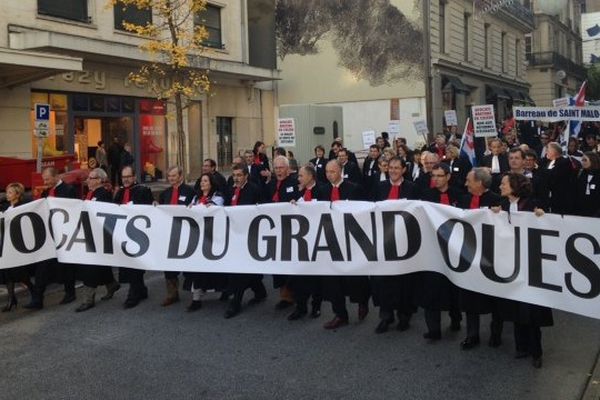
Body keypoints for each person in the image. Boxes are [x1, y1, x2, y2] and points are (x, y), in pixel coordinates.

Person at [493, 173, 553, 369]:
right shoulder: (501, 203)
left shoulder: (531, 203)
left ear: (514, 186)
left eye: (503, 183)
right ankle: (522, 346)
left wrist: (541, 215)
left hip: (530, 263)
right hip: (510, 263)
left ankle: (536, 351)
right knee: (515, 305)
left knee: (532, 308)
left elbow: (545, 221)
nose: (500, 186)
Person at [371, 157, 419, 333]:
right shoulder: (380, 187)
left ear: (403, 170)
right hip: (384, 241)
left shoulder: (412, 188)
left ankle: (404, 316)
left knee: (404, 281)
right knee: (384, 281)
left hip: (406, 242)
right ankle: (386, 316)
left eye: (396, 168)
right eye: (390, 167)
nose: (392, 170)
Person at [457, 168, 503, 350]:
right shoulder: (463, 200)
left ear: (480, 183)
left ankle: (496, 333)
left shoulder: (497, 201)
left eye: (469, 180)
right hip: (468, 255)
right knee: (469, 296)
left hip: (490, 256)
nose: (466, 183)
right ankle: (472, 334)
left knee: (494, 296)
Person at [321, 160, 370, 329]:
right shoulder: (323, 190)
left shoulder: (354, 188)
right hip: (331, 239)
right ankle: (340, 314)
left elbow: (364, 211)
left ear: (340, 171)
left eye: (332, 172)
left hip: (351, 239)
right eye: (327, 172)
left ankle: (362, 301)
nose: (329, 175)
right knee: (333, 279)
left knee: (355, 276)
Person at [417, 163, 462, 340]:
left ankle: (455, 317)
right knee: (431, 287)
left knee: (453, 286)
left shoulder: (458, 194)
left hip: (454, 248)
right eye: (433, 175)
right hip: (432, 247)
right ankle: (433, 328)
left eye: (439, 175)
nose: (435, 179)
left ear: (448, 177)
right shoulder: (426, 196)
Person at [25, 167, 78, 310]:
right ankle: (38, 298)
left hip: (64, 234)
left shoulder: (69, 190)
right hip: (49, 235)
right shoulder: (46, 192)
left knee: (67, 264)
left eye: (47, 179)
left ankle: (70, 292)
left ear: (56, 176)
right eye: (44, 179)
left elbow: (75, 211)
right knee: (42, 265)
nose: (45, 182)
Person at [224, 163, 267, 318]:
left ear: (246, 176)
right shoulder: (231, 190)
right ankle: (259, 290)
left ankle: (235, 302)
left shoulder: (254, 189)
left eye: (239, 175)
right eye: (234, 175)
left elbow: (261, 210)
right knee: (240, 267)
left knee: (240, 270)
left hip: (249, 235)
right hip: (234, 234)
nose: (236, 178)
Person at [76, 168, 121, 312]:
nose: (88, 180)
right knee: (100, 265)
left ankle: (88, 299)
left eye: (92, 178)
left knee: (90, 267)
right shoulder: (90, 193)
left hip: (99, 236)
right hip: (90, 234)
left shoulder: (103, 194)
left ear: (100, 180)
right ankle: (111, 284)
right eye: (88, 178)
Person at [287, 164, 327, 320]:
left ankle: (316, 306)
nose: (299, 178)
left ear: (310, 176)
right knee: (299, 275)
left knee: (315, 277)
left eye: (301, 176)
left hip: (317, 238)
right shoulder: (298, 191)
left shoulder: (322, 191)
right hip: (300, 239)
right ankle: (300, 306)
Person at [183, 173, 227, 312]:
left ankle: (225, 290)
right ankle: (196, 298)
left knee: (215, 267)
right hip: (198, 237)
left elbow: (215, 210)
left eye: (206, 181)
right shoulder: (196, 198)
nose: (202, 183)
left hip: (213, 237)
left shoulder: (217, 197)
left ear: (211, 183)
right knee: (197, 267)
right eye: (201, 180)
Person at [114, 165, 154, 309]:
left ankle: (133, 294)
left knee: (135, 265)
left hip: (138, 234)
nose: (125, 180)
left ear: (134, 177)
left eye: (128, 177)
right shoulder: (119, 193)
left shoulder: (143, 191)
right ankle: (141, 289)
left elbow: (148, 211)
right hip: (123, 234)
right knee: (127, 264)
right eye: (123, 177)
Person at [264, 156, 299, 310]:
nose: (278, 170)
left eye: (281, 168)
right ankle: (284, 295)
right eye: (276, 168)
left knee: (291, 262)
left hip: (291, 228)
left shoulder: (294, 183)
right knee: (277, 262)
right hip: (274, 229)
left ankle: (296, 293)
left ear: (287, 168)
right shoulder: (270, 184)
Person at [158, 166, 196, 306]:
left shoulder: (190, 191)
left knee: (189, 265)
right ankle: (172, 294)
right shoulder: (165, 193)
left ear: (180, 176)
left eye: (174, 176)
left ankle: (195, 294)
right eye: (169, 176)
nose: (171, 178)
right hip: (170, 233)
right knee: (169, 265)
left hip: (185, 233)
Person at [0, 183, 33, 312]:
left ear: (17, 194)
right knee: (7, 272)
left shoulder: (20, 207)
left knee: (19, 273)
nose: (7, 195)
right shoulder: (8, 207)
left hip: (17, 244)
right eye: (7, 192)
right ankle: (11, 298)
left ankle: (34, 291)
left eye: (10, 192)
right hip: (7, 244)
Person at [538, 142, 576, 214]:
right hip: (549, 197)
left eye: (548, 150)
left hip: (560, 199)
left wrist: (545, 173)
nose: (546, 152)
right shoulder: (547, 162)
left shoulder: (564, 162)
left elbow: (554, 176)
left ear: (554, 151)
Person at [574, 151, 600, 217]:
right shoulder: (581, 173)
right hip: (580, 210)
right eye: (582, 160)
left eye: (585, 160)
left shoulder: (598, 175)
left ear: (592, 160)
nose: (582, 162)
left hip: (595, 211)